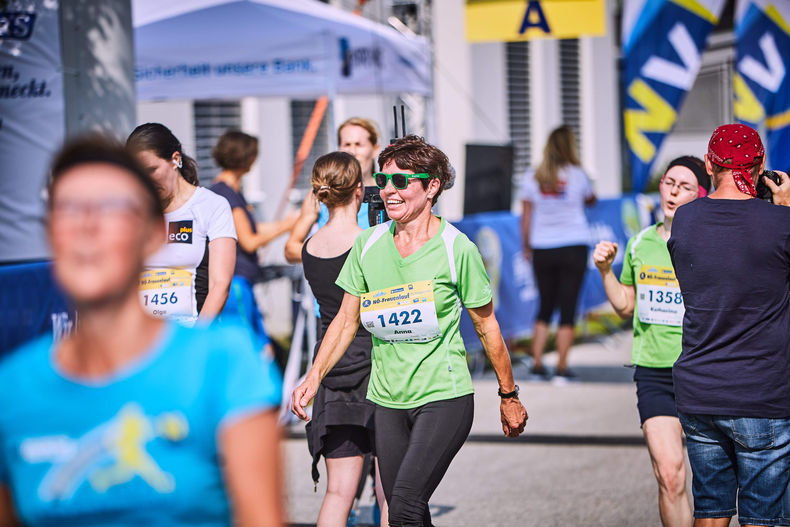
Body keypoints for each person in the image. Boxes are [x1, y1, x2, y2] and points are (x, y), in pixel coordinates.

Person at [0, 136, 283, 526]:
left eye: (110, 209)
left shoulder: (224, 366)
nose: (87, 228)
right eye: (68, 210)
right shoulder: (13, 388)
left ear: (153, 235)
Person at [292, 135, 527, 527]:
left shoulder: (457, 249)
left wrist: (509, 395)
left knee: (401, 506)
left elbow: (487, 327)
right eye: (382, 180)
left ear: (432, 185)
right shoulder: (367, 245)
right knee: (412, 512)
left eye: (400, 182)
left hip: (443, 396)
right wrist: (313, 376)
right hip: (385, 399)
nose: (387, 190)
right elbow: (346, 321)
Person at [667, 124, 790, 527]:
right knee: (763, 518)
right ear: (760, 167)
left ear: (708, 164)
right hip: (762, 393)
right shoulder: (779, 223)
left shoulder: (683, 221)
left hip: (700, 391)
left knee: (711, 512)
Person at [593, 156, 710, 527]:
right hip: (656, 372)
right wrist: (604, 270)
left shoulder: (712, 245)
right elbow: (627, 305)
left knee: (717, 485)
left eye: (685, 185)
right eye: (668, 182)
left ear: (702, 193)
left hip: (705, 370)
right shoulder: (640, 243)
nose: (673, 191)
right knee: (671, 475)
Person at [300, 151, 387, 527]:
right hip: (376, 364)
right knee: (391, 494)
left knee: (338, 492)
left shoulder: (309, 246)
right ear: (359, 190)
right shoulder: (372, 241)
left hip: (332, 368)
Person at [127, 123, 237, 325]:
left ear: (175, 160)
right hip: (143, 340)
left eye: (151, 170)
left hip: (193, 334)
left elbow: (220, 285)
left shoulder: (211, 206)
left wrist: (194, 340)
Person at [209, 130, 297, 351]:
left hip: (242, 282)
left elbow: (253, 229)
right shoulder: (225, 194)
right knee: (250, 346)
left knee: (262, 346)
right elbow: (249, 240)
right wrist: (286, 226)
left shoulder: (230, 190)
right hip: (236, 282)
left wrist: (287, 224)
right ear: (245, 157)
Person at [520, 125, 596, 381]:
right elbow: (591, 198)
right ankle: (562, 368)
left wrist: (526, 246)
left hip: (543, 246)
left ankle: (537, 363)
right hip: (574, 245)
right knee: (568, 307)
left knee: (545, 306)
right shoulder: (578, 175)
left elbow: (526, 216)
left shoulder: (533, 176)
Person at [284, 117, 381, 264]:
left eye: (359, 145)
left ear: (375, 150)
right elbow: (290, 250)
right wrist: (330, 256)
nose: (352, 151)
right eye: (347, 144)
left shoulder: (388, 190)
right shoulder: (321, 193)